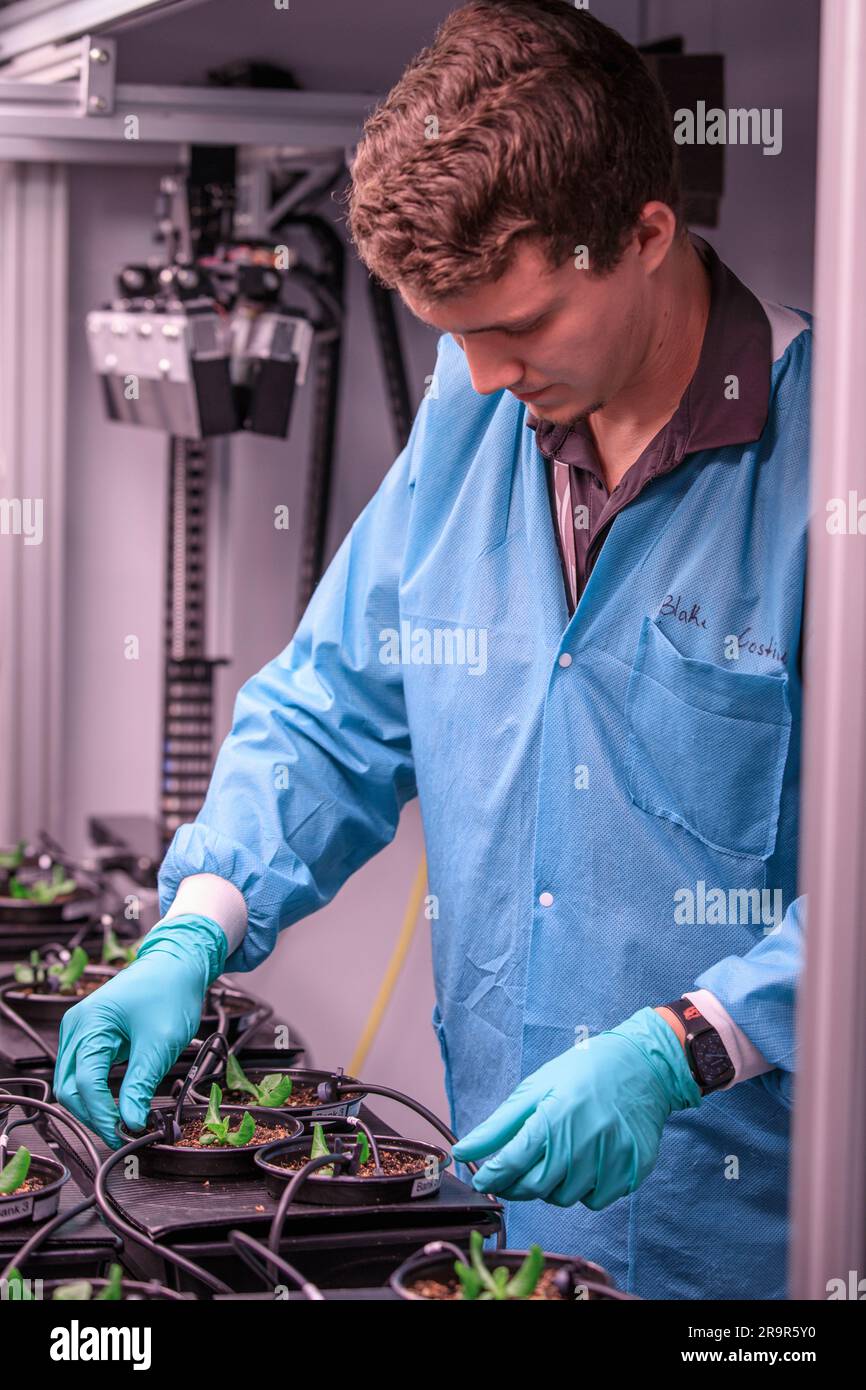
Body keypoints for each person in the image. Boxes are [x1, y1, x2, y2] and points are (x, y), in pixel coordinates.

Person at [54, 0, 809, 1299]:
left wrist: (687, 1042)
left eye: (518, 324)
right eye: (447, 331)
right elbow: (332, 704)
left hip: (756, 1240)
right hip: (513, 1220)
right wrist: (194, 923)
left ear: (643, 233)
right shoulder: (473, 419)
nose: (481, 371)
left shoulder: (830, 467)